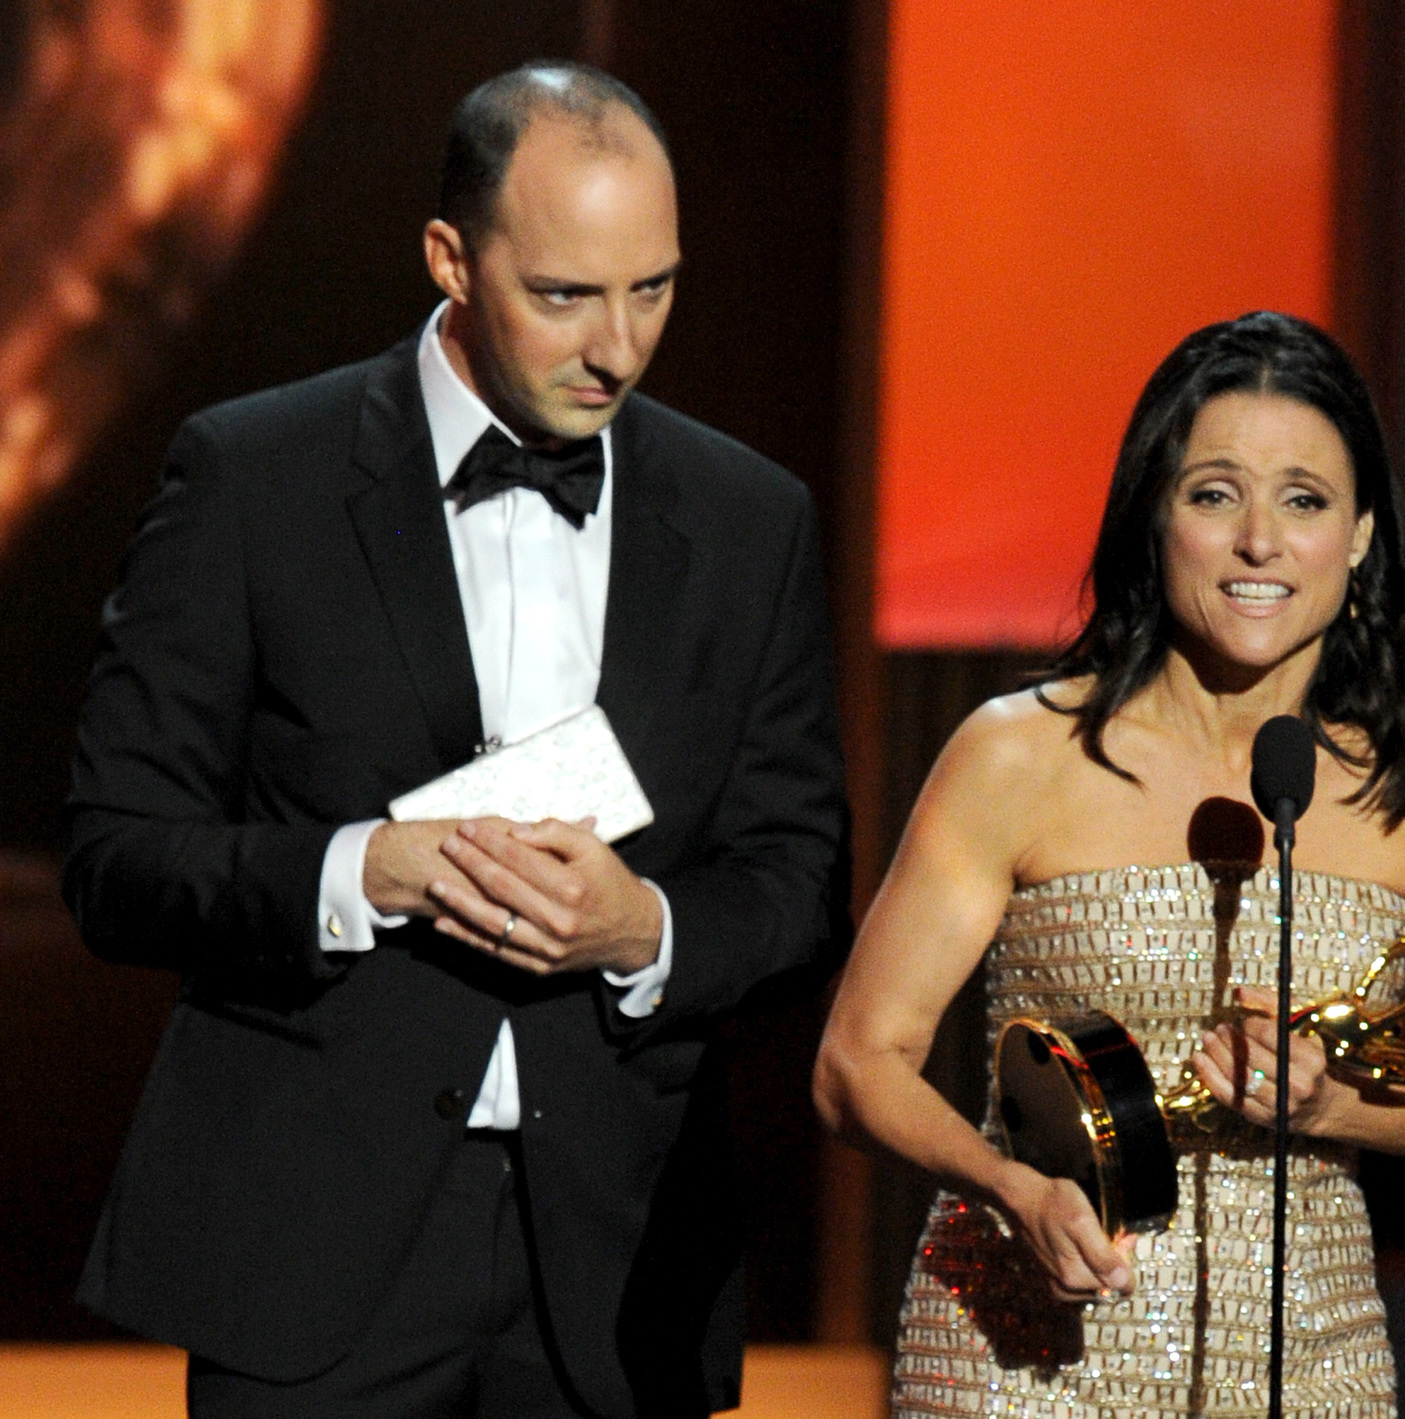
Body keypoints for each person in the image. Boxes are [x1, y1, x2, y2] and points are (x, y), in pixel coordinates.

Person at [64, 61, 846, 1418]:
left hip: (618, 1258)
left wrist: (645, 928)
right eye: (565, 294)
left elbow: (797, 880)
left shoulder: (747, 517)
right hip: (311, 1248)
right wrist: (367, 869)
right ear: (450, 257)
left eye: (652, 286)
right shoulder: (255, 477)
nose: (619, 344)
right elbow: (118, 855)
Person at [815, 312, 1405, 1417]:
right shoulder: (1020, 753)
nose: (1258, 540)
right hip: (1023, 1355)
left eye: (1303, 501)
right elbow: (857, 1062)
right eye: (1214, 495)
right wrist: (1010, 1188)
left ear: (1357, 536)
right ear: (1152, 516)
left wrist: (1328, 1105)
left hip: (1306, 1359)